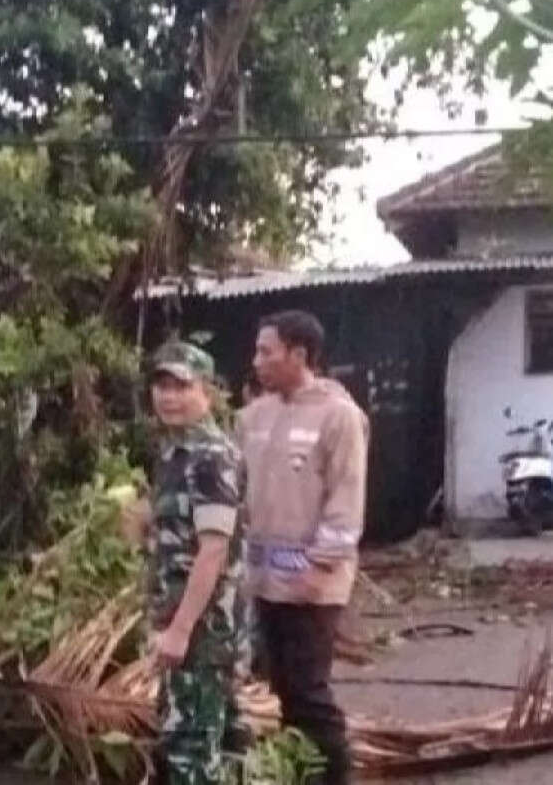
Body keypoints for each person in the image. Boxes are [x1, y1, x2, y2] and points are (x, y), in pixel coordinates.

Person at [238, 311, 369, 785]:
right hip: (264, 582)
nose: (257, 361)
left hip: (314, 585)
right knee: (283, 690)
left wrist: (322, 568)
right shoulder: (253, 416)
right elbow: (234, 490)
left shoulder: (339, 415)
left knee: (311, 691)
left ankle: (337, 778)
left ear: (299, 354)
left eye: (266, 351)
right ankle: (303, 774)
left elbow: (346, 498)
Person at [139, 340, 246, 784]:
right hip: (181, 621)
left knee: (191, 753)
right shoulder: (174, 454)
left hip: (203, 631)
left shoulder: (210, 457)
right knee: (210, 744)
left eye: (181, 386)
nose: (169, 396)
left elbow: (214, 550)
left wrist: (181, 631)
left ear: (206, 390)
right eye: (161, 385)